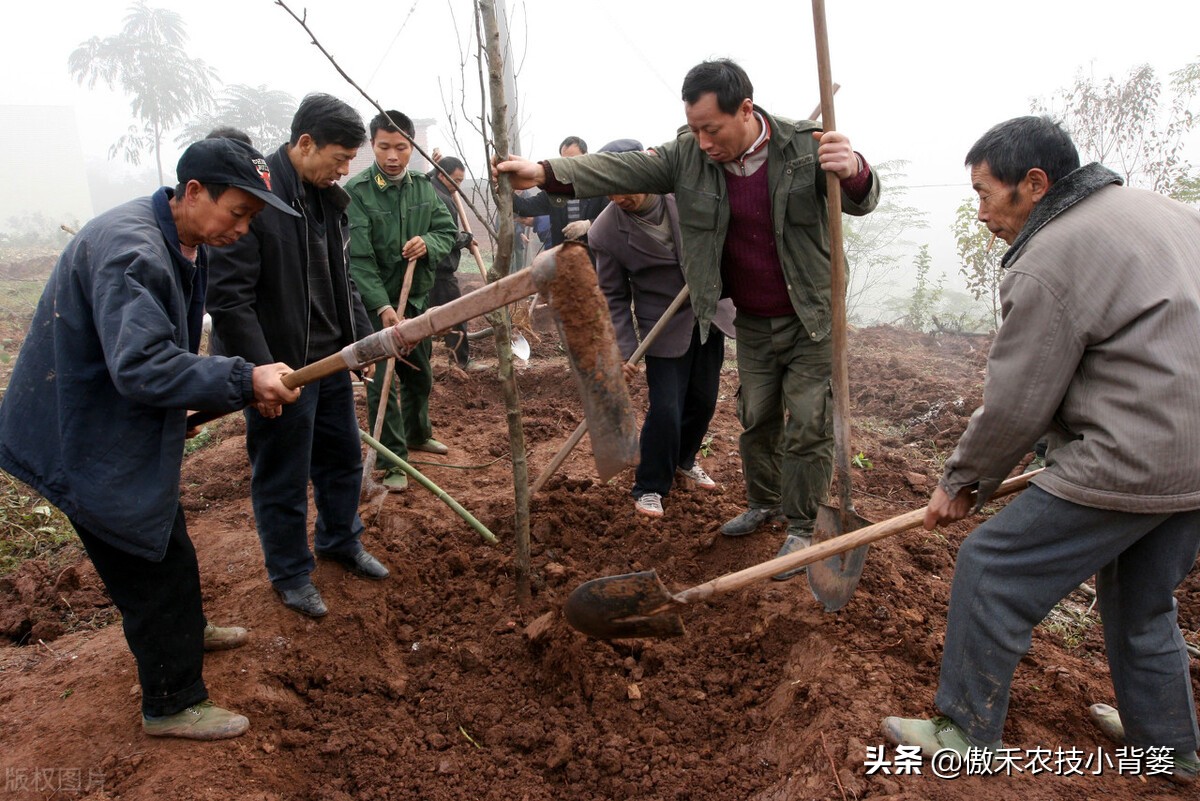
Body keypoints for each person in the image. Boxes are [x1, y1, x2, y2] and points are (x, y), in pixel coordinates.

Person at [882, 116, 1200, 784]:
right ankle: (1169, 745)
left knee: (992, 566)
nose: (980, 214)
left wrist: (964, 478)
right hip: (1192, 459)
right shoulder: (1167, 213)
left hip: (1131, 453)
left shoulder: (1049, 254)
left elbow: (1019, 399)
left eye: (984, 193)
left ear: (1033, 184)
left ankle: (964, 730)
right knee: (1143, 597)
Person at [495, 59, 878, 577]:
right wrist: (544, 172)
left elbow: (863, 200)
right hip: (751, 318)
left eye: (711, 129)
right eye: (694, 129)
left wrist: (853, 168)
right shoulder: (691, 157)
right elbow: (624, 169)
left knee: (808, 422)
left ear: (745, 110)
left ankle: (803, 528)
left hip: (810, 313)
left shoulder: (803, 146)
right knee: (756, 417)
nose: (702, 141)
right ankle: (764, 502)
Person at [0, 138, 301, 739]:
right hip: (81, 433)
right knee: (147, 561)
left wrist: (199, 394)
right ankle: (172, 701)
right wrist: (242, 377)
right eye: (237, 212)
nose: (242, 229)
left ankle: (185, 630)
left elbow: (155, 354)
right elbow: (139, 364)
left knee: (166, 532)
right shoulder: (133, 250)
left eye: (252, 219)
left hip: (116, 416)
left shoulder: (185, 239)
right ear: (193, 192)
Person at [207, 93, 389, 620]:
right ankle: (289, 571)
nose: (346, 169)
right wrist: (261, 371)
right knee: (283, 474)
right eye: (340, 158)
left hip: (329, 360)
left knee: (341, 459)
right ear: (304, 144)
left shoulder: (328, 200)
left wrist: (360, 342)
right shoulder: (255, 199)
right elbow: (230, 301)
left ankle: (340, 540)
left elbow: (343, 279)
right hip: (281, 365)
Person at [589, 138, 736, 518]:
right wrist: (624, 348)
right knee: (666, 409)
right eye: (609, 189)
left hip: (707, 313)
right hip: (662, 327)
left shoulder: (683, 195)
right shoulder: (605, 231)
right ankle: (650, 484)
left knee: (703, 401)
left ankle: (685, 459)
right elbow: (613, 296)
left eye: (625, 186)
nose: (617, 197)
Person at [345, 110, 459, 491]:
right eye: (384, 147)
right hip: (377, 305)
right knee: (383, 382)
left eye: (401, 147)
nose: (392, 156)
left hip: (416, 300)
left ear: (412, 147)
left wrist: (428, 243)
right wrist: (381, 306)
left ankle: (417, 432)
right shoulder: (358, 192)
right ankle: (394, 458)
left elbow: (448, 230)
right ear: (372, 146)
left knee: (419, 372)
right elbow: (359, 259)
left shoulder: (424, 188)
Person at [425, 154, 477, 369]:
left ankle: (422, 363)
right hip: (442, 270)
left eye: (461, 182)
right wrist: (466, 238)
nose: (458, 186)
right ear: (441, 175)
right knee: (456, 316)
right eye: (455, 180)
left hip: (428, 269)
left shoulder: (430, 190)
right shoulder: (443, 199)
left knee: (424, 319)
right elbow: (447, 236)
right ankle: (461, 362)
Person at [510, 135, 608, 247]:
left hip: (595, 257)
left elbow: (612, 221)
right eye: (565, 161)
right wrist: (507, 191)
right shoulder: (557, 190)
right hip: (563, 256)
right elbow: (525, 207)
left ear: (586, 157)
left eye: (574, 159)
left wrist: (589, 224)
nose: (569, 165)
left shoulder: (600, 187)